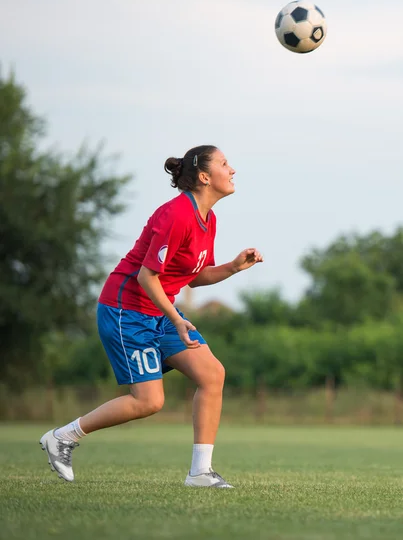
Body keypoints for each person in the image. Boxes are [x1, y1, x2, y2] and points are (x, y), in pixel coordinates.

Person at [40, 145, 263, 488]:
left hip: (158, 312)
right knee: (149, 401)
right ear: (204, 177)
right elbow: (147, 276)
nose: (232, 170)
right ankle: (63, 437)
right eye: (224, 164)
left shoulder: (208, 219)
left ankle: (200, 473)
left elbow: (193, 275)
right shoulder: (175, 215)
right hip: (125, 310)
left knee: (212, 374)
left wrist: (233, 267)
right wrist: (176, 318)